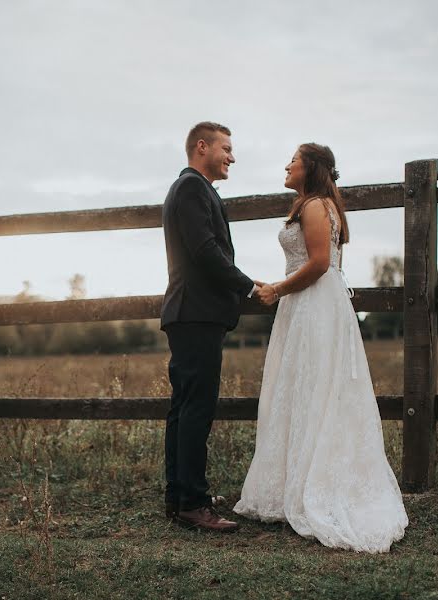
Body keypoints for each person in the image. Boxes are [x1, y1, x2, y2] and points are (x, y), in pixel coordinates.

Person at [233, 143, 408, 552]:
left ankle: (313, 486)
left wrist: (277, 288)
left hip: (312, 303)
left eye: (293, 159)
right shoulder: (318, 204)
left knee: (313, 386)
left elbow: (318, 264)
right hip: (311, 303)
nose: (287, 164)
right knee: (307, 386)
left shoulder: (314, 206)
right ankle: (296, 481)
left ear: (309, 167)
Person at [160, 121, 260, 532]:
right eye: (226, 148)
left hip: (192, 313)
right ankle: (193, 504)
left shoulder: (196, 190)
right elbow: (205, 251)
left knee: (184, 410)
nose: (232, 157)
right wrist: (249, 287)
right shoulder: (190, 188)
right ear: (202, 147)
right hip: (195, 312)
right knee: (195, 409)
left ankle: (180, 496)